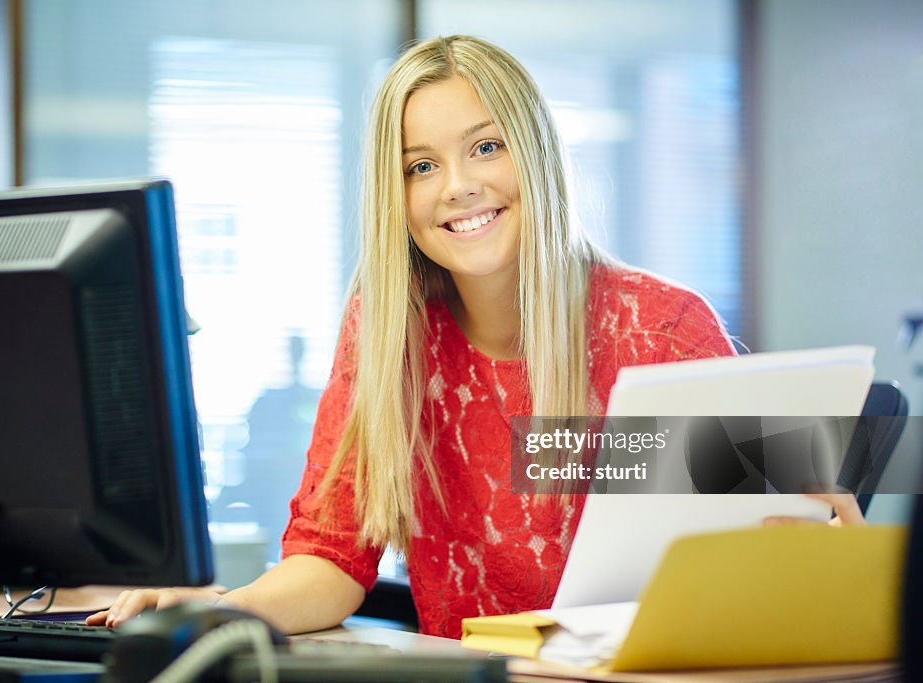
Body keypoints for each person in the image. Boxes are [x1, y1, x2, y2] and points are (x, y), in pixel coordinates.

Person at [87, 35, 863, 639]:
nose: (457, 185)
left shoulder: (658, 328)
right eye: (420, 165)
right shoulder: (392, 332)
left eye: (485, 147)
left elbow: (789, 531)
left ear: (536, 154)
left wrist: (815, 528)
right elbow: (331, 559)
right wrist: (222, 612)